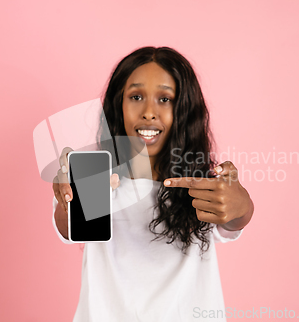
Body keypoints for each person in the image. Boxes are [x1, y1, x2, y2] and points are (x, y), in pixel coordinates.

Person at [52, 46, 254, 321]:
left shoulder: (203, 187)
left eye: (165, 99)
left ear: (184, 109)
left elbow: (234, 219)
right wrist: (68, 197)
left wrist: (241, 204)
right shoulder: (93, 180)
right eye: (136, 96)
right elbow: (68, 226)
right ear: (117, 105)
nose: (148, 112)